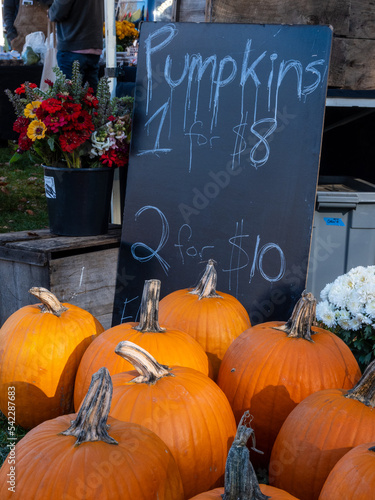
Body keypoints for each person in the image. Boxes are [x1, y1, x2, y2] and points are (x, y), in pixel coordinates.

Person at [48, 0, 104, 92]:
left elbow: (58, 11)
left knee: (70, 99)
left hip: (72, 45)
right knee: (91, 99)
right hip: (93, 46)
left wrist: (51, 13)